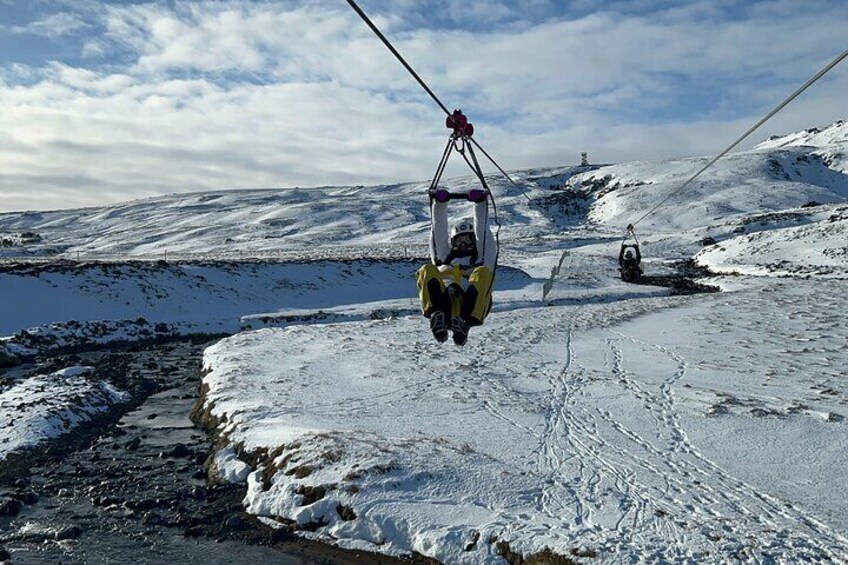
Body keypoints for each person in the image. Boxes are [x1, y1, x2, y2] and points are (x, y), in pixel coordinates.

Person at [416, 187, 497, 346]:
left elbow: (483, 232)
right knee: (427, 270)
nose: (463, 244)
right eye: (459, 240)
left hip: (470, 301)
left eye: (467, 240)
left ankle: (464, 323)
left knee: (482, 273)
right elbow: (438, 233)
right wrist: (439, 204)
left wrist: (480, 204)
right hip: (444, 300)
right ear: (452, 242)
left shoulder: (482, 257)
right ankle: (436, 315)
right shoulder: (443, 257)